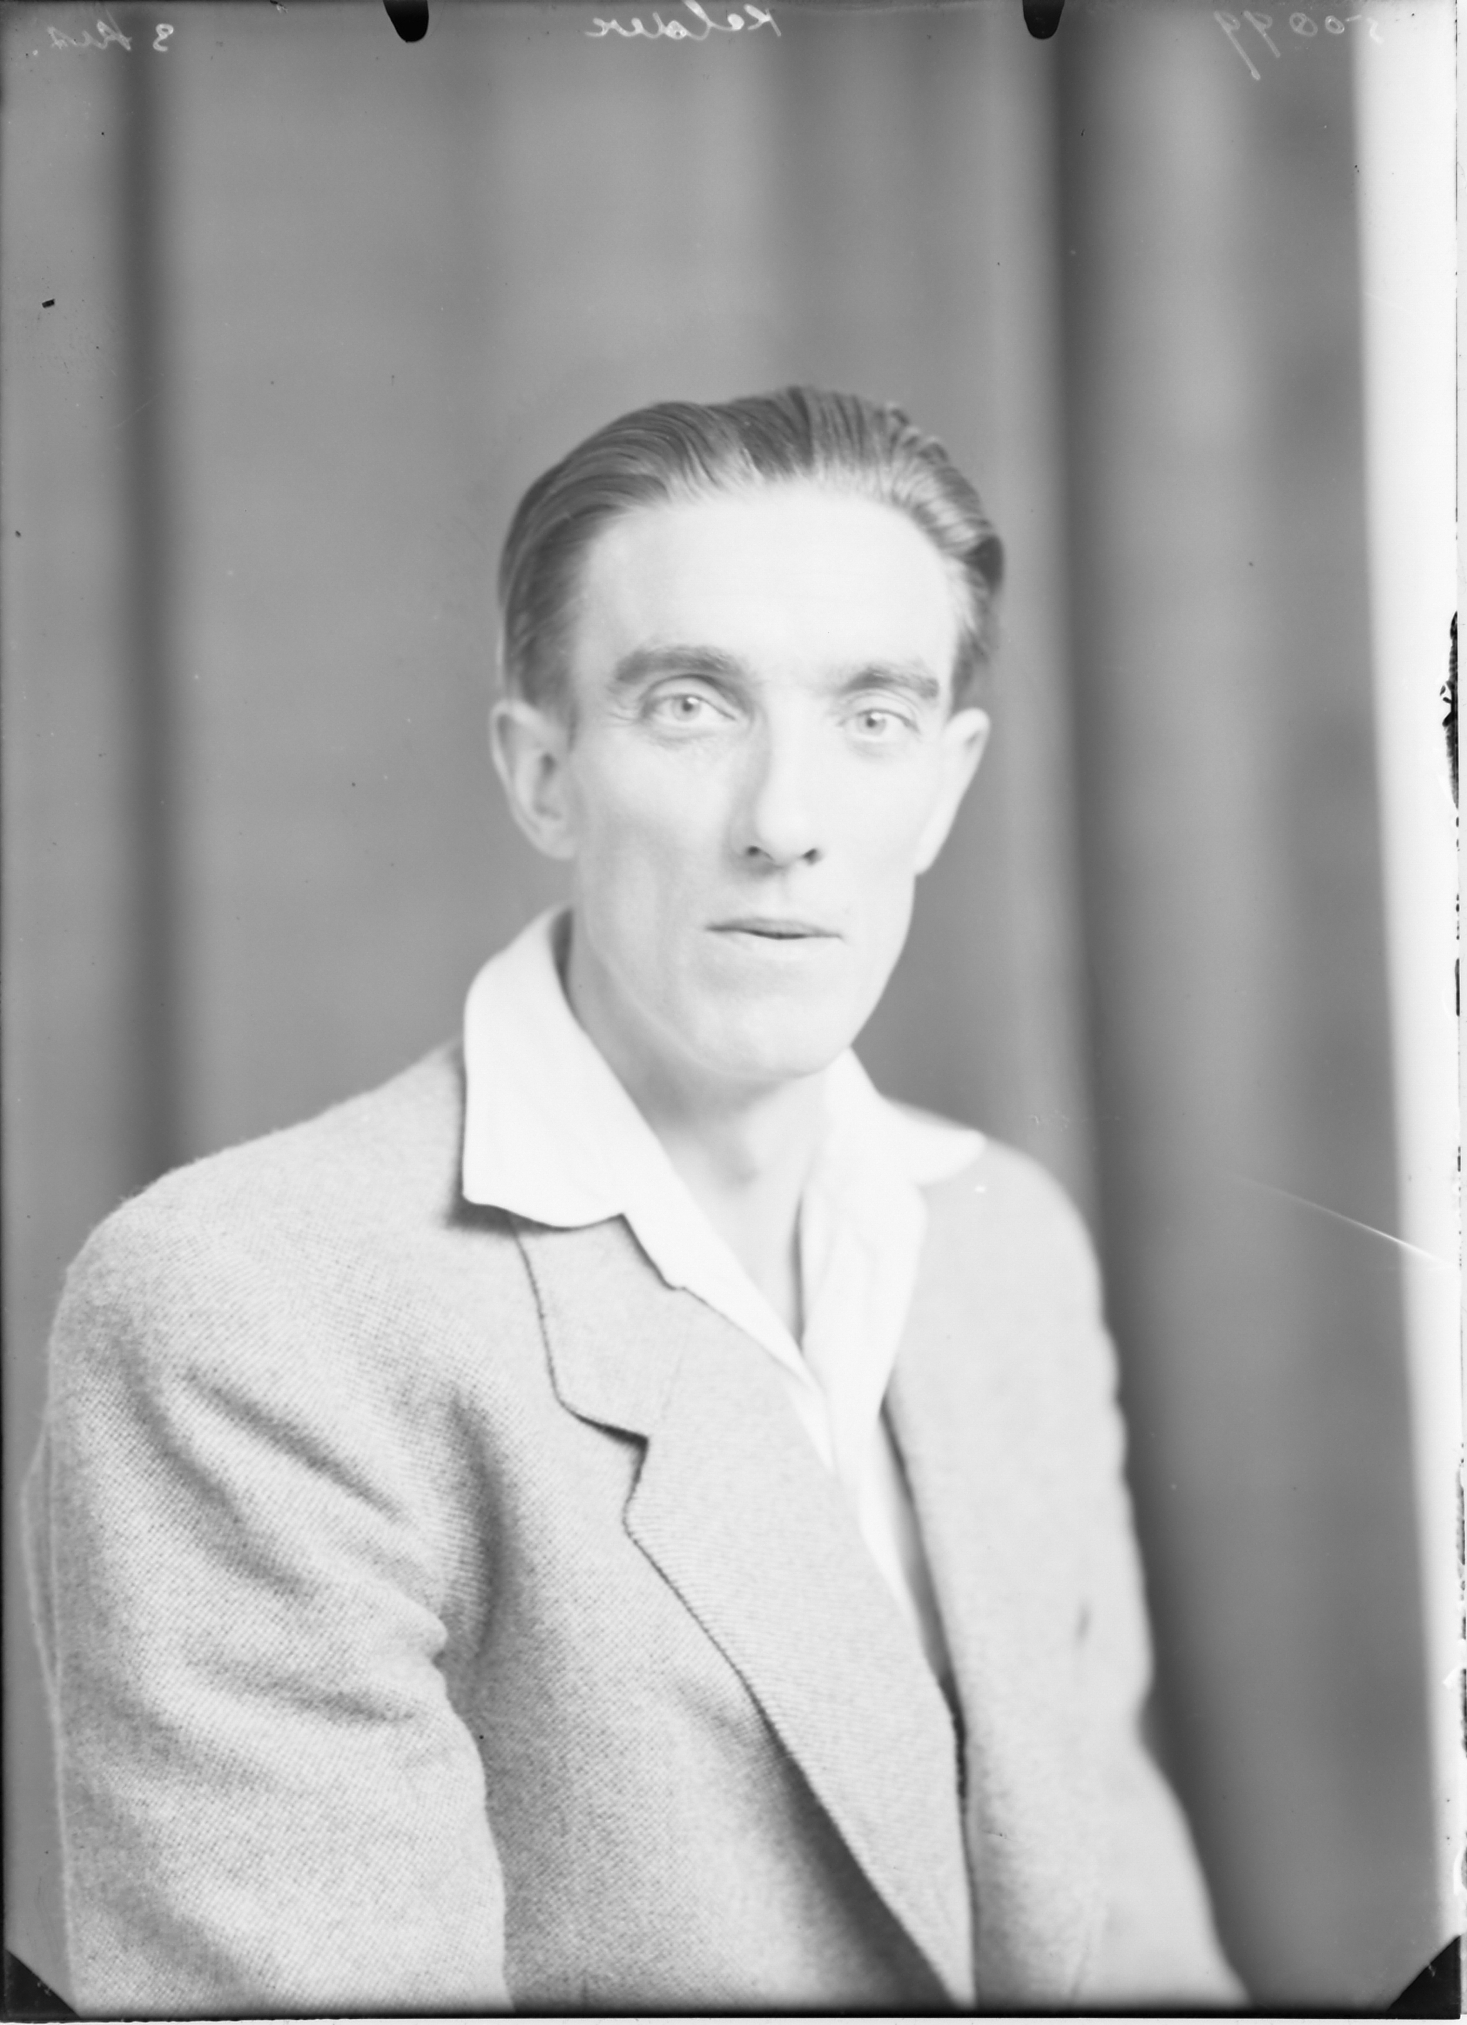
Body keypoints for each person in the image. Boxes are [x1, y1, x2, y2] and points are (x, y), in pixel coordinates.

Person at [24, 387, 1243, 2016]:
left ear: (948, 787)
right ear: (544, 774)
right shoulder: (245, 1312)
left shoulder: (1006, 1245)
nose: (785, 823)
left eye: (872, 717)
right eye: (689, 705)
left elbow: (1132, 1936)